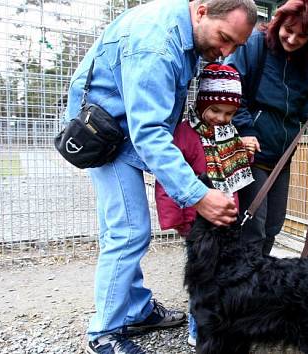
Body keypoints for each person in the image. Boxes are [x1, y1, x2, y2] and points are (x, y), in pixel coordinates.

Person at [63, 0, 257, 353]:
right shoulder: (157, 43)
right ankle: (103, 333)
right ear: (202, 11)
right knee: (127, 230)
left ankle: (135, 309)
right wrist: (197, 194)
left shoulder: (187, 35)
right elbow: (148, 132)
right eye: (225, 37)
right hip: (107, 134)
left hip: (125, 129)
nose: (225, 52)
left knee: (125, 228)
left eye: (236, 46)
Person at [153, 62, 256, 347]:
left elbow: (233, 170)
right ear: (201, 105)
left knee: (224, 276)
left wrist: (244, 154)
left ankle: (224, 323)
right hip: (196, 223)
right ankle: (199, 328)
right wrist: (179, 221)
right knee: (201, 276)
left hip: (225, 219)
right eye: (215, 111)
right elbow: (168, 183)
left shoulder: (228, 133)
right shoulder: (185, 134)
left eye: (230, 113)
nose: (222, 119)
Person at [224, 0, 308, 256]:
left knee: (273, 225)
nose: (292, 39)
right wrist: (246, 130)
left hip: (283, 156)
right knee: (253, 226)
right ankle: (244, 288)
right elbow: (231, 91)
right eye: (288, 30)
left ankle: (260, 281)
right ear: (278, 22)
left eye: (302, 35)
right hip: (251, 152)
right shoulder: (255, 45)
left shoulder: (307, 62)